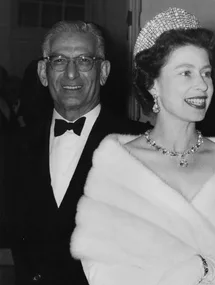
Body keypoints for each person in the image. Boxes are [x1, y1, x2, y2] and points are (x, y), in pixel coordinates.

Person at [71, 7, 215, 285]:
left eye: (206, 73)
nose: (202, 85)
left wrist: (204, 269)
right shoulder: (119, 164)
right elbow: (101, 272)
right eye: (186, 73)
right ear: (153, 84)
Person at [7, 20, 149, 285]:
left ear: (103, 71)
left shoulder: (140, 146)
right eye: (59, 60)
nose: (71, 73)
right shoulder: (13, 147)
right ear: (42, 71)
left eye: (84, 60)